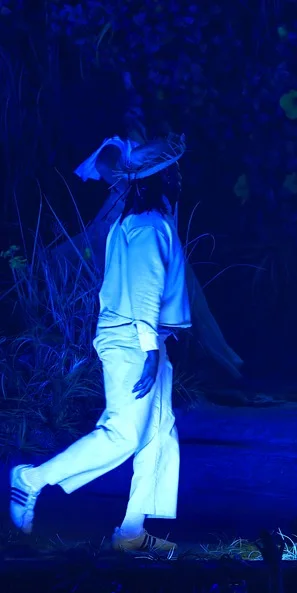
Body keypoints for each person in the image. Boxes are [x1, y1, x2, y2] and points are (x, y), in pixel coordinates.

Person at [10, 135, 191, 554]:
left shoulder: (143, 222)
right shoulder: (146, 227)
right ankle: (30, 480)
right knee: (124, 434)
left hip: (146, 338)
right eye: (173, 169)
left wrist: (156, 346)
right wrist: (149, 350)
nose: (179, 176)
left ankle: (131, 532)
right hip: (133, 339)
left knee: (159, 436)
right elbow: (144, 292)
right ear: (158, 177)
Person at [69, 72, 242, 379]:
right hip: (129, 221)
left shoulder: (151, 146)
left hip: (154, 217)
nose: (136, 112)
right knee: (146, 288)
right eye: (131, 105)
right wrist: (128, 186)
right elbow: (105, 166)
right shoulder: (121, 147)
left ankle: (216, 361)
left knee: (183, 293)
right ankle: (199, 362)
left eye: (139, 106)